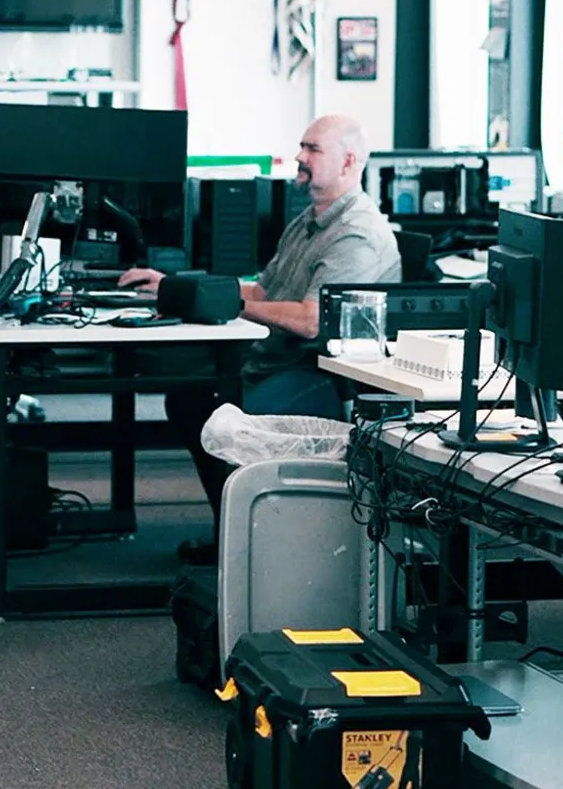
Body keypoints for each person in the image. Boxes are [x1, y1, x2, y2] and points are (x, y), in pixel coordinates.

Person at [120, 114, 400, 563]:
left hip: (319, 371)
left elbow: (311, 320)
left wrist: (226, 303)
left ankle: (250, 546)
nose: (299, 157)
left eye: (312, 149)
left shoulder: (358, 234)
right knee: (188, 398)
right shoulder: (308, 221)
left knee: (230, 411)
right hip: (274, 357)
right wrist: (179, 286)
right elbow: (263, 292)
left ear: (348, 162)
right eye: (301, 147)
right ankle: (234, 534)